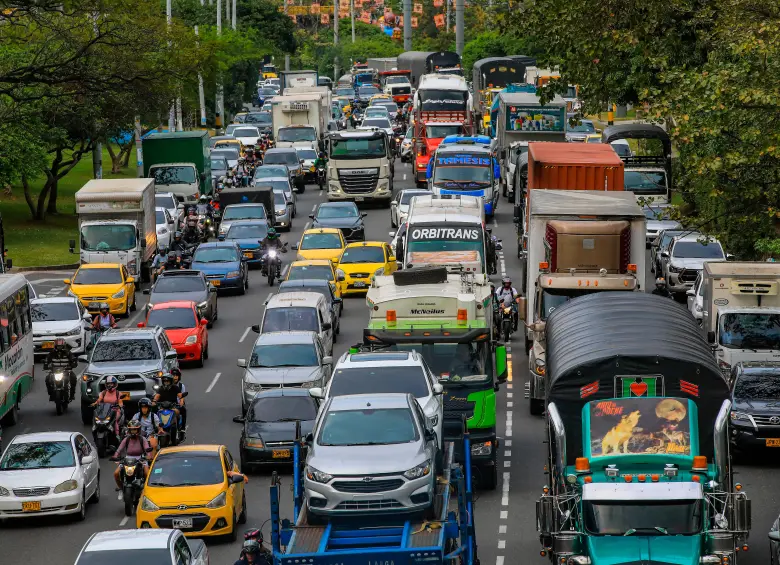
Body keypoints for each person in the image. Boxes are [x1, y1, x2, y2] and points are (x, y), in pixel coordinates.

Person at [112, 420, 151, 498]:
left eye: (135, 429)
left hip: (140, 458)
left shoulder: (142, 439)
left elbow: (147, 449)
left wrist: (148, 456)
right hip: (127, 459)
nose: (133, 431)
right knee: (116, 473)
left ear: (138, 430)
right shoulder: (126, 439)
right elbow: (119, 449)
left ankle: (147, 491)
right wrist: (115, 456)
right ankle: (121, 489)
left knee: (147, 473)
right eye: (131, 429)